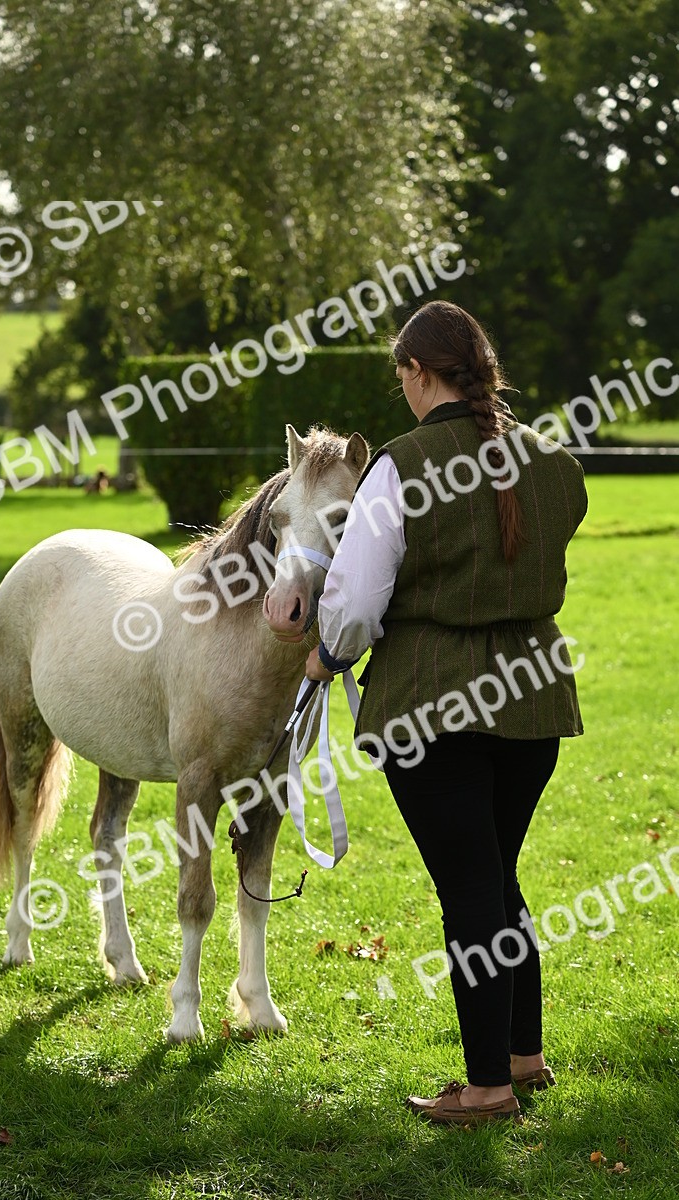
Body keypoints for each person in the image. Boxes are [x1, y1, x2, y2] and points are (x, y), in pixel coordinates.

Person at [305, 300, 588, 1126]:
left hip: (435, 709)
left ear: (419, 374)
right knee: (497, 880)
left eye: (403, 378)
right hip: (534, 700)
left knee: (470, 892)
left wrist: (330, 654)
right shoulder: (551, 459)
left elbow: (355, 598)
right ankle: (523, 1058)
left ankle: (488, 1087)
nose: (402, 391)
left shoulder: (400, 466)